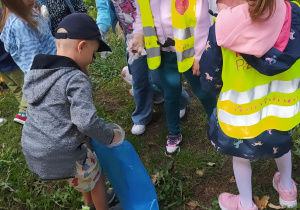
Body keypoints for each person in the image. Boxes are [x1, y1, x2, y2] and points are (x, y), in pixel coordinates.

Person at [200, 0, 300, 209]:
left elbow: (210, 79)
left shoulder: (221, 28)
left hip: (241, 114)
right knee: (282, 144)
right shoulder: (295, 12)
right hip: (281, 108)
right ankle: (287, 189)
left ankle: (245, 204)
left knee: (241, 156)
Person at [21, 13, 123, 210]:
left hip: (34, 150)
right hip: (63, 151)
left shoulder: (38, 72)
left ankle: (88, 206)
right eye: (93, 54)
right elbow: (86, 122)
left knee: (83, 169)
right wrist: (111, 137)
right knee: (96, 174)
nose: (92, 60)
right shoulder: (75, 78)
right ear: (81, 46)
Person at [130, 0, 217, 155]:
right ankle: (174, 132)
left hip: (190, 52)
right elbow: (141, 17)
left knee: (203, 90)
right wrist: (138, 35)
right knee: (170, 93)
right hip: (163, 52)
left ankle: (218, 124)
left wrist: (199, 55)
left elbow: (202, 22)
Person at [96, 0, 190, 136]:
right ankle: (141, 116)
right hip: (131, 38)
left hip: (154, 34)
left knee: (159, 78)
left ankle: (180, 101)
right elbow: (103, 9)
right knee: (138, 78)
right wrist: (100, 28)